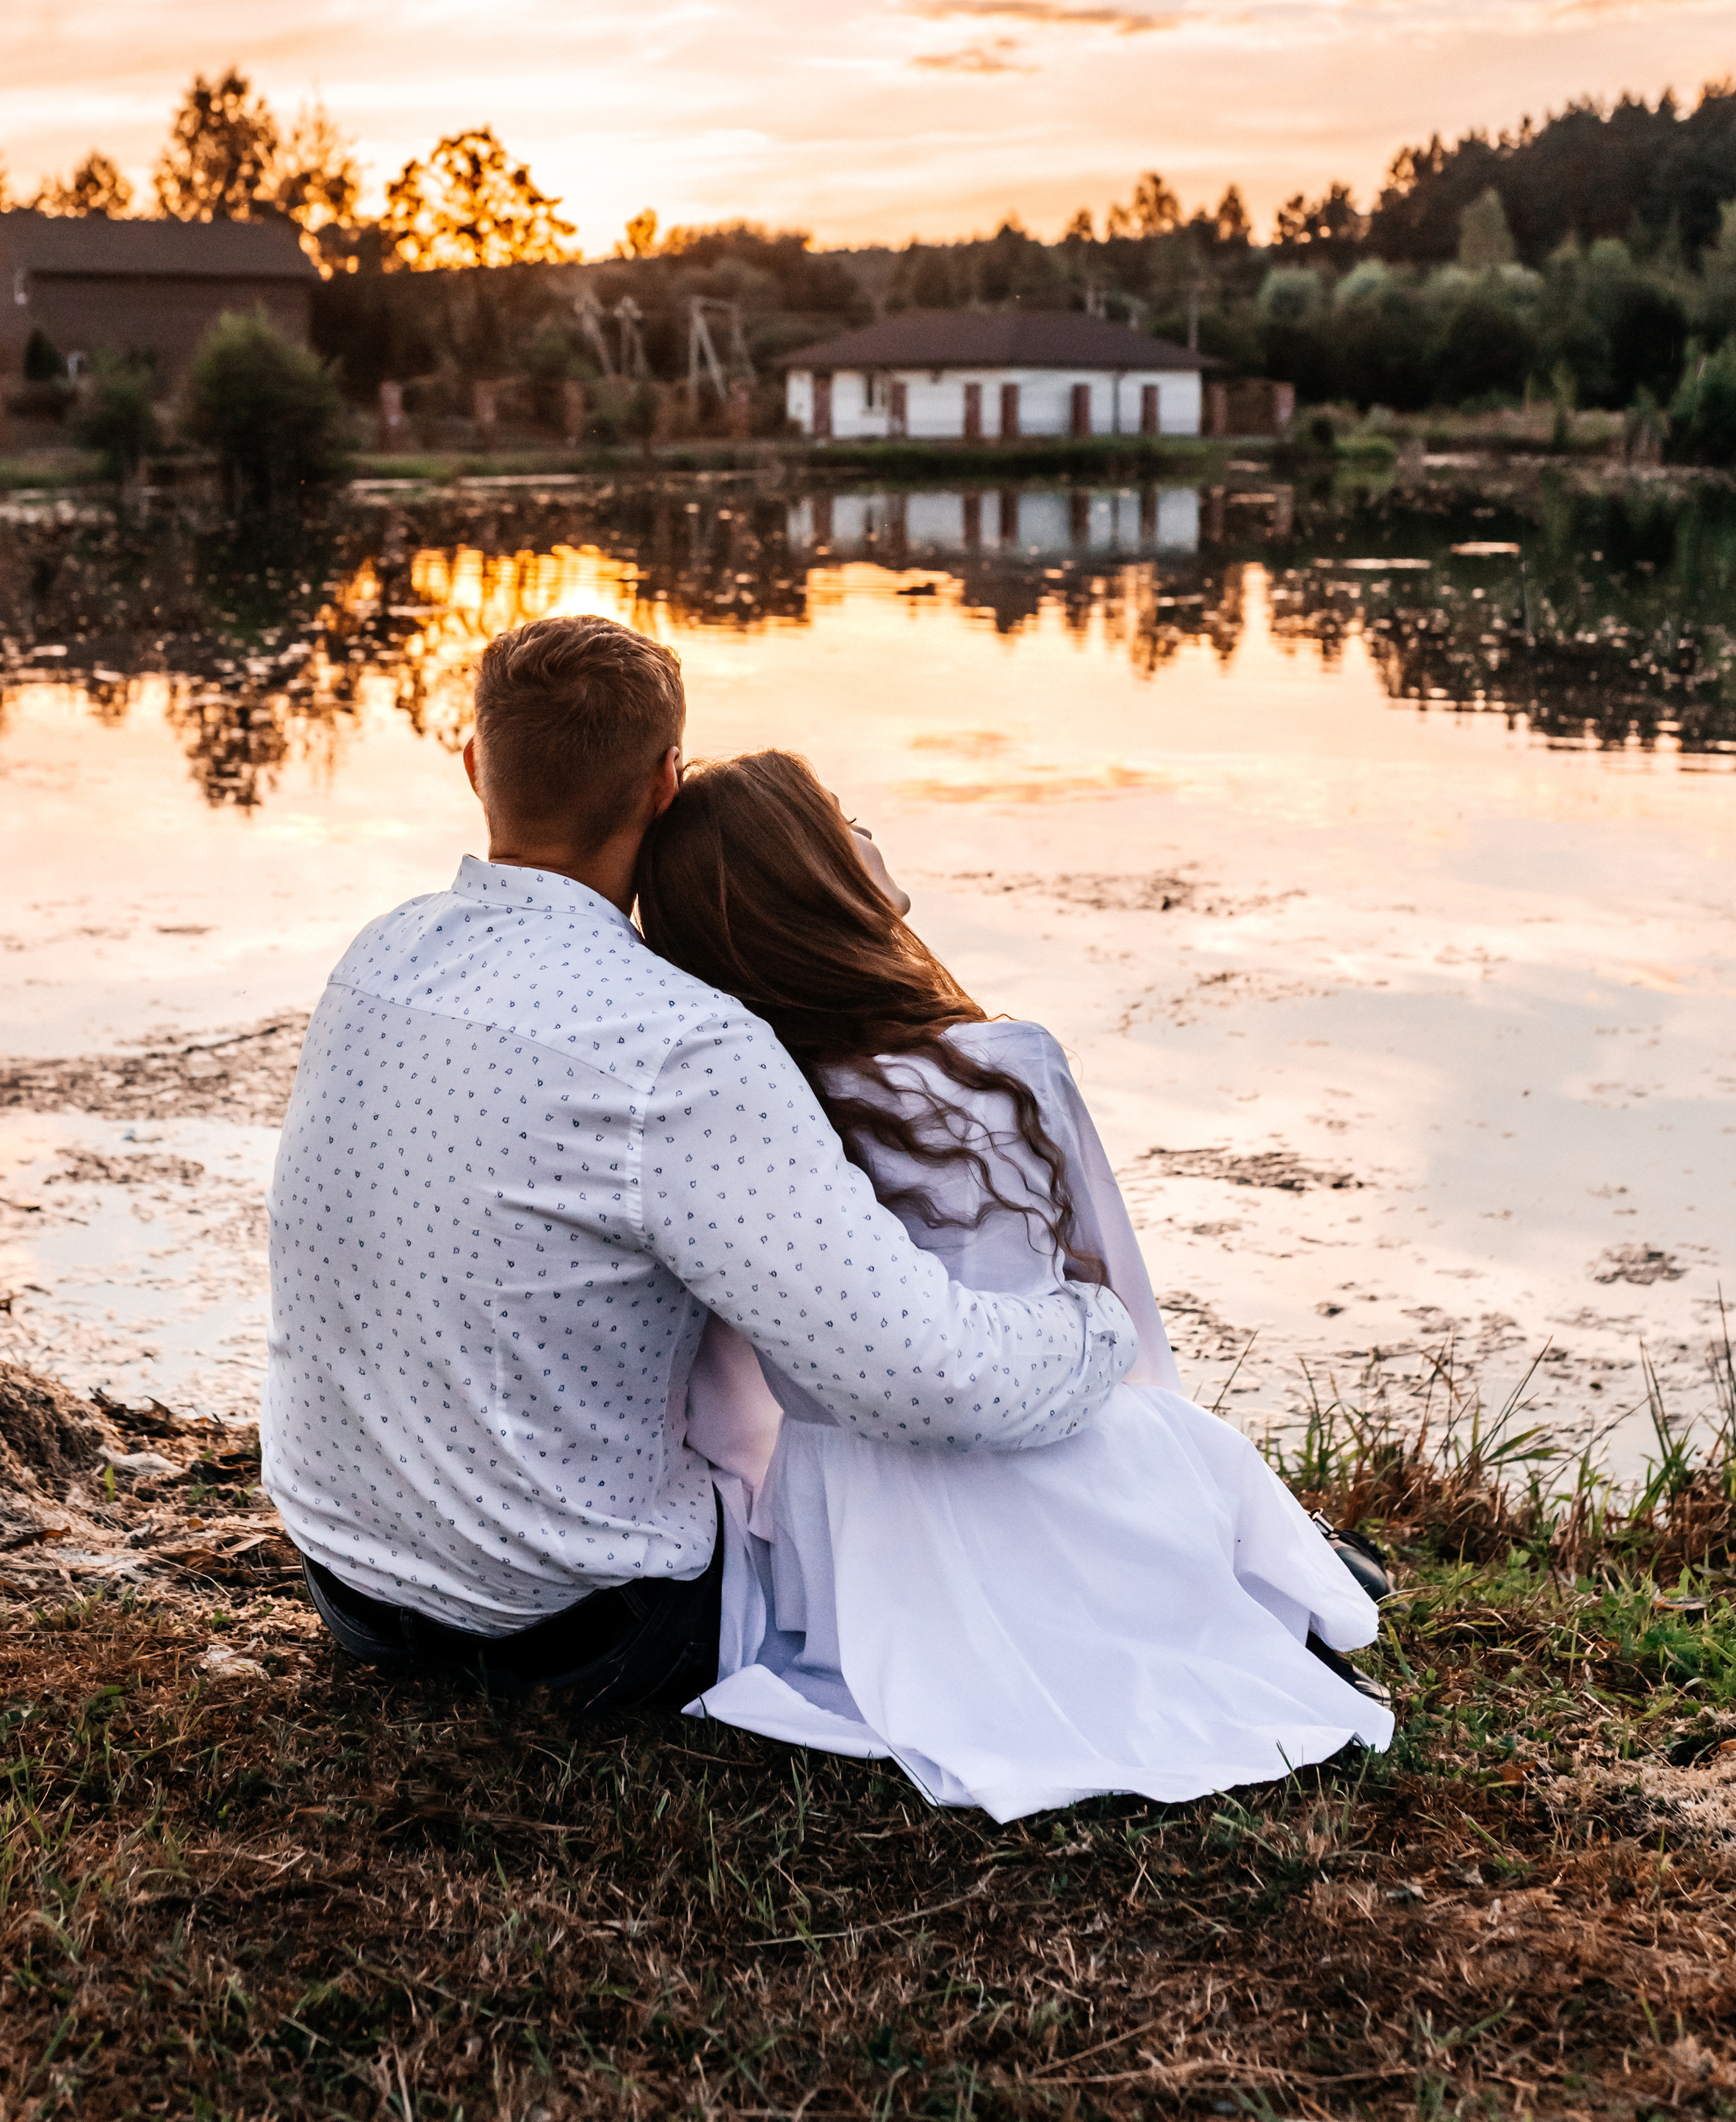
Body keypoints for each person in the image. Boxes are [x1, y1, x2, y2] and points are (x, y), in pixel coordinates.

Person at [261, 616, 1138, 1712]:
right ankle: (1188, 1568)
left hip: (350, 1584)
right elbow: (930, 1381)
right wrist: (1093, 1332)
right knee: (929, 1484)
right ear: (666, 783)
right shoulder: (682, 1044)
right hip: (576, 1632)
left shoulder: (378, 955)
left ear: (477, 763)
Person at [635, 749, 1393, 1822]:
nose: (867, 834)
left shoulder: (753, 1107)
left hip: (855, 1525)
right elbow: (1116, 1298)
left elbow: (727, 1386)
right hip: (1055, 1444)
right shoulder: (1010, 1062)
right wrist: (1157, 1451)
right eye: (843, 818)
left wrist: (772, 1511)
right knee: (1182, 1458)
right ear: (815, 875)